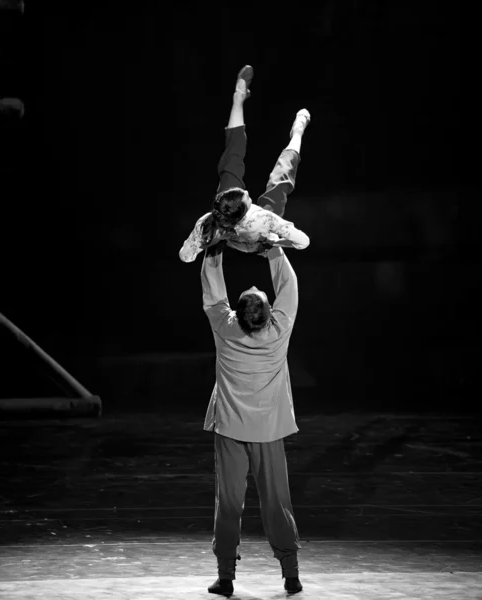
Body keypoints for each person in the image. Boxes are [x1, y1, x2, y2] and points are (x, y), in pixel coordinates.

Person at [199, 66, 309, 596]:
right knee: (275, 501)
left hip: (232, 432)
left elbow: (212, 286)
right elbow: (286, 278)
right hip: (266, 434)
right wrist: (273, 250)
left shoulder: (226, 328)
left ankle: (226, 575)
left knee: (229, 502)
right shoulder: (277, 328)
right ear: (263, 310)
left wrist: (213, 249)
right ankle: (288, 573)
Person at [178, 65, 311, 263]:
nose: (248, 193)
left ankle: (239, 97)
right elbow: (304, 242)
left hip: (228, 234)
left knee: (232, 161)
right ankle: (297, 132)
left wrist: (206, 242)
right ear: (244, 212)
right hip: (257, 241)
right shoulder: (263, 219)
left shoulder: (207, 224)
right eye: (247, 198)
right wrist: (276, 242)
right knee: (280, 180)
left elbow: (185, 256)